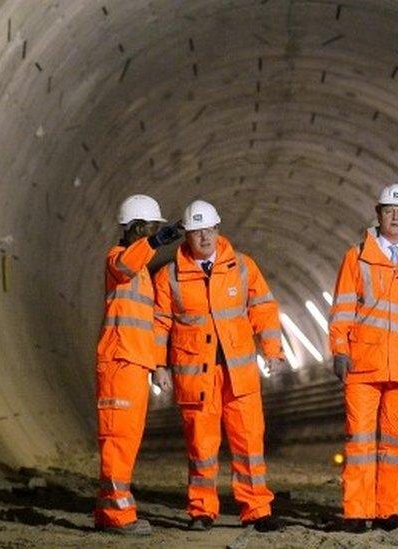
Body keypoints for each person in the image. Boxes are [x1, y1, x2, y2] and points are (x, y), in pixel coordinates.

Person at [152, 199, 286, 533]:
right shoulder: (169, 276)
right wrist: (158, 365)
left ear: (218, 229)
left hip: (238, 374)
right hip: (196, 377)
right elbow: (159, 324)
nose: (204, 238)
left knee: (249, 442)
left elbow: (264, 309)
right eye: (196, 232)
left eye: (209, 230)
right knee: (201, 445)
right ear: (186, 236)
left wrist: (273, 350)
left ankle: (257, 508)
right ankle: (201, 509)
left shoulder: (242, 267)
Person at [328, 183, 398, 533]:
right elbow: (342, 307)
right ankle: (356, 512)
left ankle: (388, 510)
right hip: (364, 364)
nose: (395, 217)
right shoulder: (356, 255)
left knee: (397, 444)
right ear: (378, 214)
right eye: (389, 210)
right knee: (359, 443)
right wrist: (339, 350)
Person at [95, 194, 181, 535]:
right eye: (150, 231)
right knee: (118, 439)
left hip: (134, 364)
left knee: (126, 439)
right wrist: (157, 241)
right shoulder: (118, 259)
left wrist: (157, 365)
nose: (154, 238)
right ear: (137, 229)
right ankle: (117, 516)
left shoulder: (143, 272)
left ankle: (108, 513)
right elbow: (125, 264)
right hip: (119, 362)